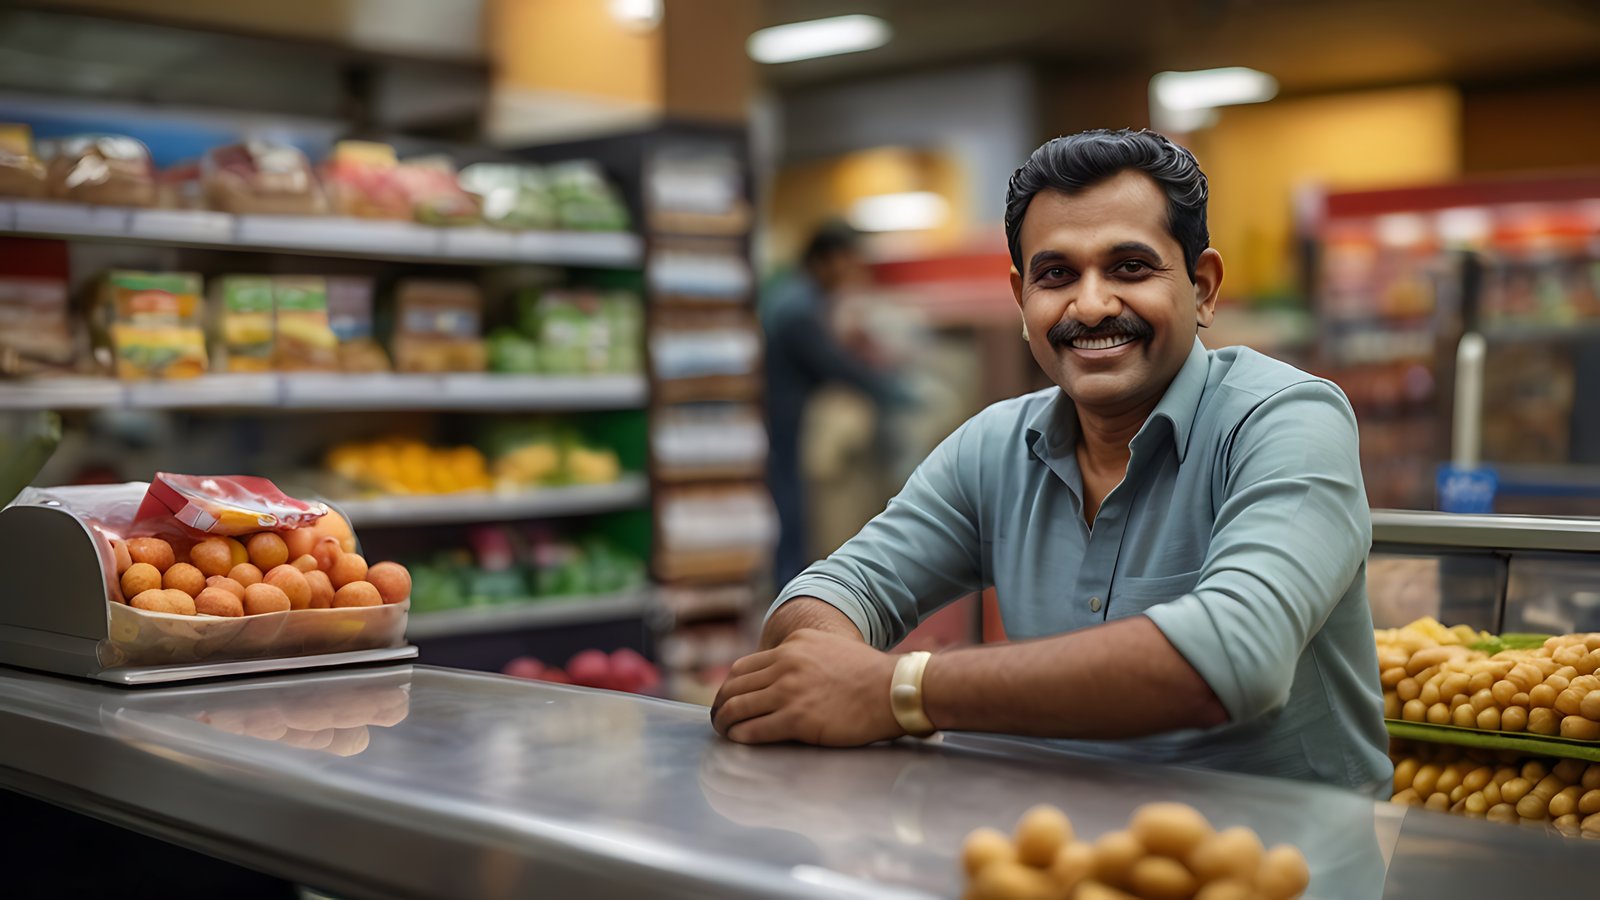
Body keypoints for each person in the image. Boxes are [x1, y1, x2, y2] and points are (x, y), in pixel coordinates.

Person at [713, 129, 1390, 794]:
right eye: (1057, 274)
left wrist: (899, 689)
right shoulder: (996, 446)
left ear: (1203, 287)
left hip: (1287, 853)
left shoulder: (1285, 419)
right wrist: (827, 664)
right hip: (1062, 845)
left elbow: (1233, 657)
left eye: (1130, 267)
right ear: (1022, 299)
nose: (1090, 306)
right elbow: (831, 591)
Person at [762, 223, 904, 586]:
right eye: (846, 263)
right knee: (791, 512)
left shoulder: (799, 297)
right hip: (784, 420)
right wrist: (893, 392)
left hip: (786, 417)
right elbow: (833, 365)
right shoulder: (796, 309)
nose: (849, 274)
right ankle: (790, 592)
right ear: (823, 261)